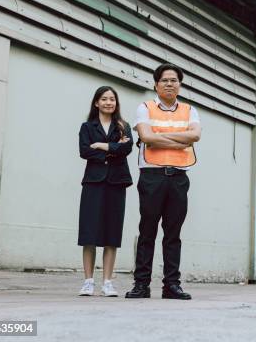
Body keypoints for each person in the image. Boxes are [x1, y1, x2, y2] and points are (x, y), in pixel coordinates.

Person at [125, 63, 201, 300]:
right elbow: (146, 137)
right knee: (147, 231)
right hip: (152, 176)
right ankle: (141, 284)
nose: (170, 84)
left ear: (180, 84)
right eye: (165, 80)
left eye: (174, 80)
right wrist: (180, 141)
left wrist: (159, 138)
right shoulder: (145, 107)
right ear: (156, 84)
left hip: (179, 177)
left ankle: (172, 285)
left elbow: (195, 135)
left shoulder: (190, 110)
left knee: (173, 233)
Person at [78, 86, 133, 297]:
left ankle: (108, 282)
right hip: (93, 182)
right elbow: (84, 151)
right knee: (89, 232)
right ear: (96, 103)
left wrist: (102, 146)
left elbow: (127, 149)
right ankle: (88, 281)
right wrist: (113, 149)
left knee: (112, 233)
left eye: (112, 99)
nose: (109, 102)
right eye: (104, 99)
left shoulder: (123, 126)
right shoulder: (87, 126)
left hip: (116, 182)